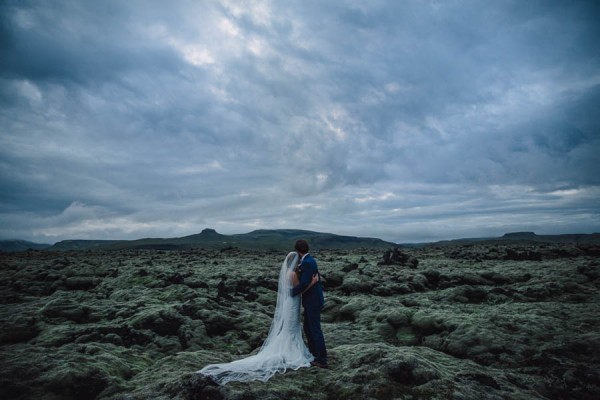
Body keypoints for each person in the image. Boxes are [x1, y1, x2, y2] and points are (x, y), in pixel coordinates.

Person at [197, 250, 319, 384]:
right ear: (295, 262)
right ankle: (291, 349)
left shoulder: (287, 273)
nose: (300, 263)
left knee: (290, 328)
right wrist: (312, 282)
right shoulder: (293, 274)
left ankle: (291, 346)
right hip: (293, 303)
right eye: (298, 261)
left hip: (290, 303)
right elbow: (298, 291)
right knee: (291, 328)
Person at [291, 239, 328, 368]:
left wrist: (291, 292)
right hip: (312, 299)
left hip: (313, 301)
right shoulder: (310, 260)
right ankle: (314, 354)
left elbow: (305, 283)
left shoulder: (307, 262)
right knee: (308, 327)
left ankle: (321, 359)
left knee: (314, 329)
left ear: (297, 250)